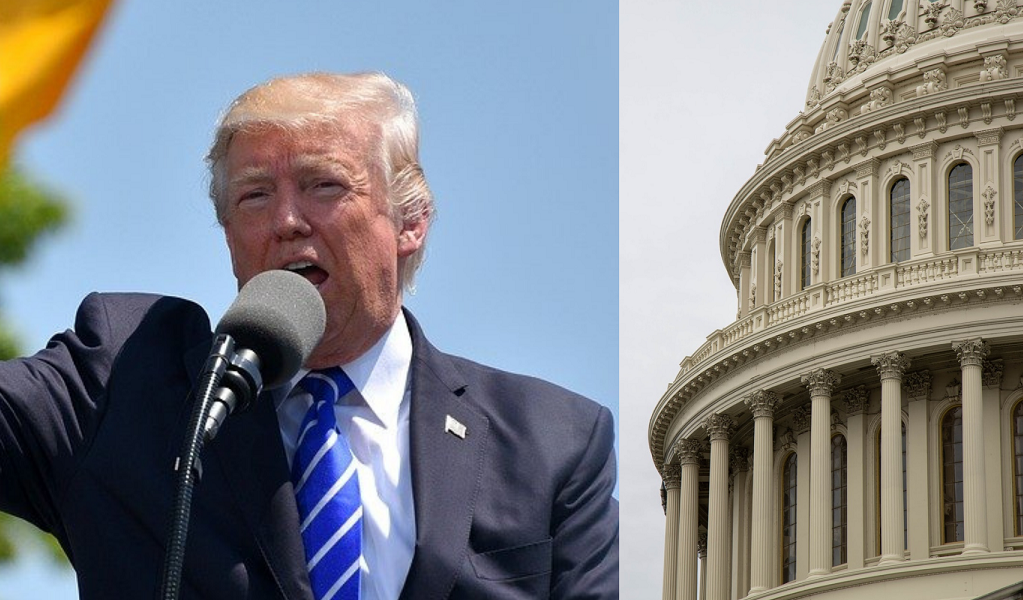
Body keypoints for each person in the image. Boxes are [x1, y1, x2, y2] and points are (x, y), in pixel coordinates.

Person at [0, 72, 618, 600]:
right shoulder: (124, 373)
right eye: (254, 195)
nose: (287, 222)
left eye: (325, 185)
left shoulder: (554, 441)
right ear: (227, 235)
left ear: (411, 220)